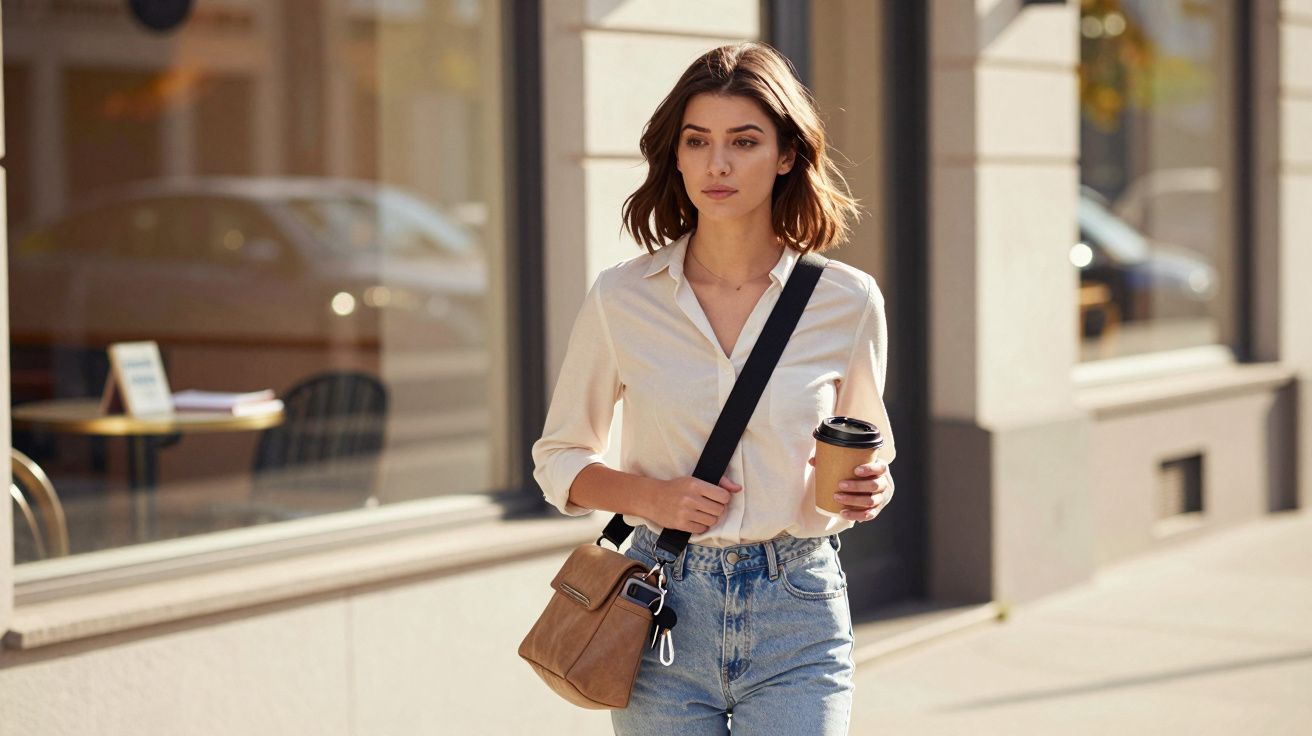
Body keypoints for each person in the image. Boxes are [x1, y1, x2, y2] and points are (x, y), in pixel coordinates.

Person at [531, 42, 896, 735]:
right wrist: (653, 498)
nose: (717, 164)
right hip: (658, 605)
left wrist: (871, 489)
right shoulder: (622, 298)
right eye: (697, 141)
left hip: (798, 609)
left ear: (786, 155)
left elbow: (868, 449)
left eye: (744, 141)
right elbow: (558, 459)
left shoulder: (847, 302)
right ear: (676, 155)